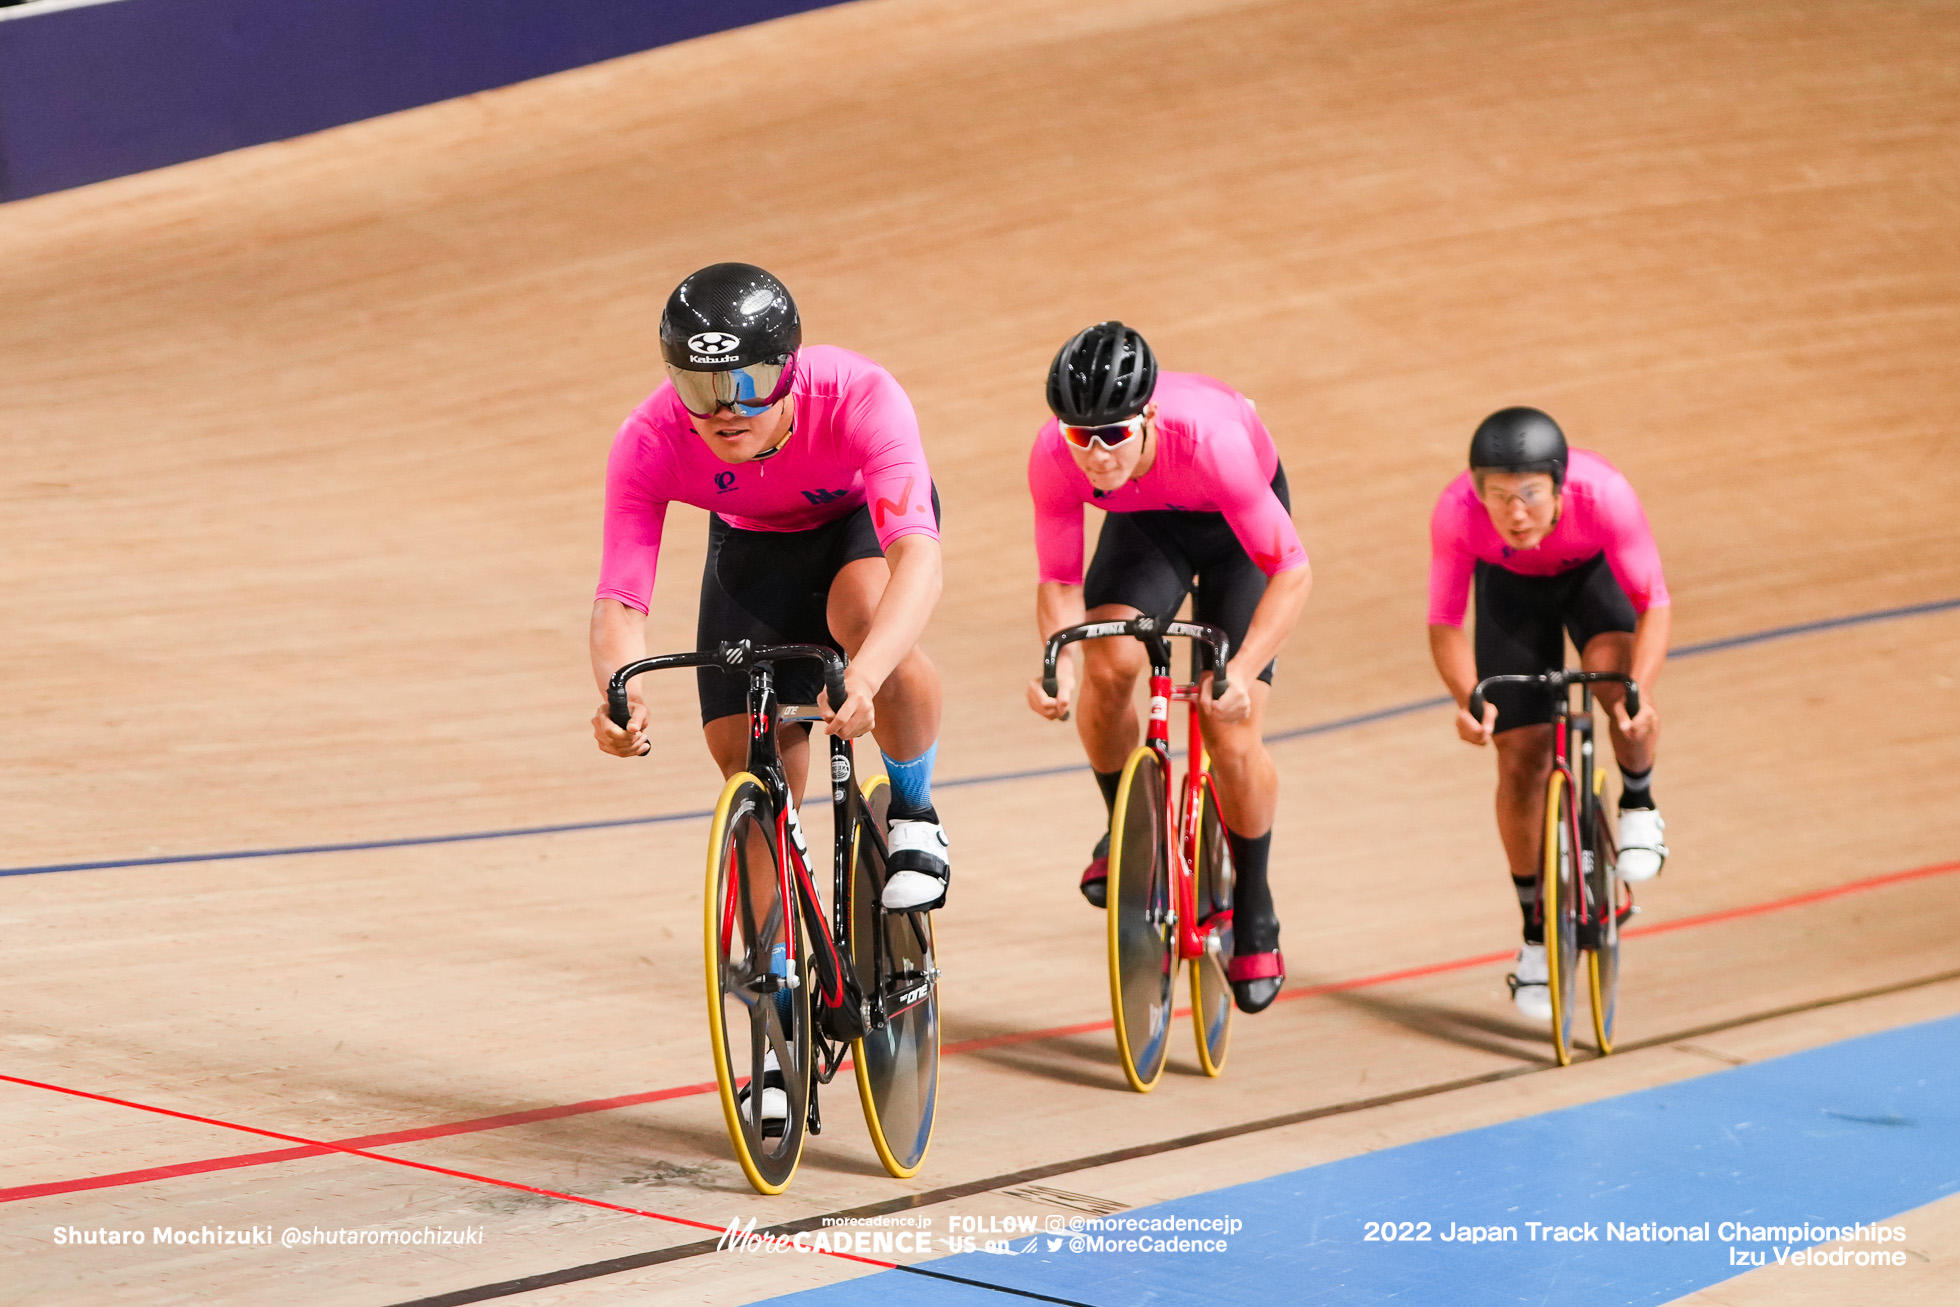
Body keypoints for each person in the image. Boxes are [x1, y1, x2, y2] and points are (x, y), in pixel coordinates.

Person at [589, 262, 952, 917]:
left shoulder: (859, 395)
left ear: (789, 371)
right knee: (748, 764)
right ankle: (778, 970)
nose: (727, 410)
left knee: (864, 614)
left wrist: (865, 677)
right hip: (751, 543)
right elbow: (620, 597)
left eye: (749, 383)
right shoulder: (648, 439)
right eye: (701, 390)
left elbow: (919, 560)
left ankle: (915, 811)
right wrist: (623, 694)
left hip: (855, 524)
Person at [1025, 322, 1311, 1014]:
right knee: (1106, 665)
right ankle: (1131, 828)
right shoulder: (1056, 456)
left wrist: (1242, 667)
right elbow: (1060, 583)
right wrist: (1057, 659)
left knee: (1231, 732)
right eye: (1080, 437)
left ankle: (1254, 898)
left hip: (1234, 529)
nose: (1095, 457)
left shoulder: (1213, 443)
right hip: (1149, 522)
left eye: (1113, 436)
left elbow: (1293, 572)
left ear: (1147, 416)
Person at [1426, 406, 1670, 1022]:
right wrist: (1468, 698)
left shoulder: (1606, 495)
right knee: (1521, 757)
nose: (1514, 512)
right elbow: (1445, 622)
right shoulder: (1457, 513)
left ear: (1560, 486)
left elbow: (1655, 604)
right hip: (1510, 596)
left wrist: (1638, 691)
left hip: (1590, 580)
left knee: (1619, 691)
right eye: (1499, 496)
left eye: (1531, 495)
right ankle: (1536, 931)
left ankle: (1639, 801)